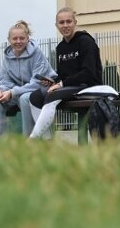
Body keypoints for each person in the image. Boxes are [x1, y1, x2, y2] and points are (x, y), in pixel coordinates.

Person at [28, 8, 105, 139]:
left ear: (75, 22)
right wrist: (54, 81)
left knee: (52, 95)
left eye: (68, 21)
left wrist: (61, 84)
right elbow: (65, 76)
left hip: (89, 86)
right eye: (61, 22)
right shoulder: (60, 47)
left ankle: (32, 139)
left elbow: (88, 73)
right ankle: (48, 140)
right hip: (71, 87)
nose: (65, 25)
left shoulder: (86, 42)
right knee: (35, 96)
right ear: (56, 25)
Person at [0, 20, 57, 137]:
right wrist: (0, 90)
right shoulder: (8, 57)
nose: (18, 41)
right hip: (18, 92)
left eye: (22, 38)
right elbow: (5, 80)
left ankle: (29, 142)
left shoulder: (37, 53)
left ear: (27, 39)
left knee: (25, 99)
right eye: (15, 39)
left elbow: (37, 82)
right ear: (9, 40)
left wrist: (12, 92)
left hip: (42, 89)